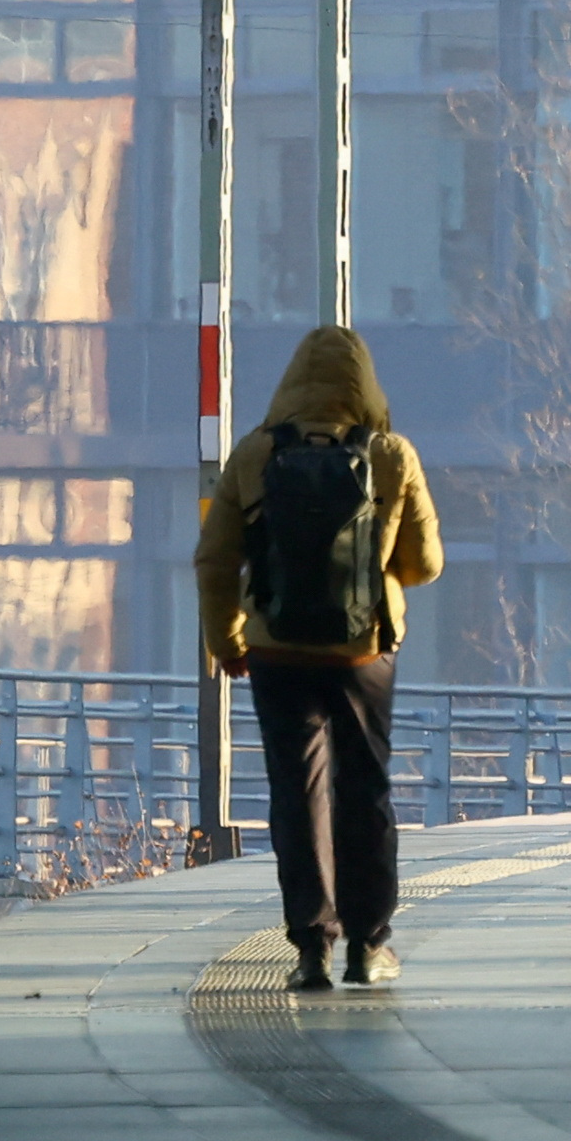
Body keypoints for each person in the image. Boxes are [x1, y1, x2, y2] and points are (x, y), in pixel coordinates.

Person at [195, 323, 445, 991]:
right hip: (362, 654)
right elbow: (425, 563)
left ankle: (311, 948)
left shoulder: (253, 456)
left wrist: (229, 642)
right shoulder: (391, 456)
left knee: (297, 794)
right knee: (364, 791)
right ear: (364, 385)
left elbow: (215, 560)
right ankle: (369, 945)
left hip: (276, 652)